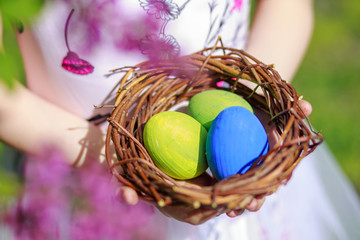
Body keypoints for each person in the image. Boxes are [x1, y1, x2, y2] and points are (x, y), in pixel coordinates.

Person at [1, 0, 359, 239]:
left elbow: (288, 7)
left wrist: (253, 97)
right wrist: (121, 158)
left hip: (241, 179)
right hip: (86, 179)